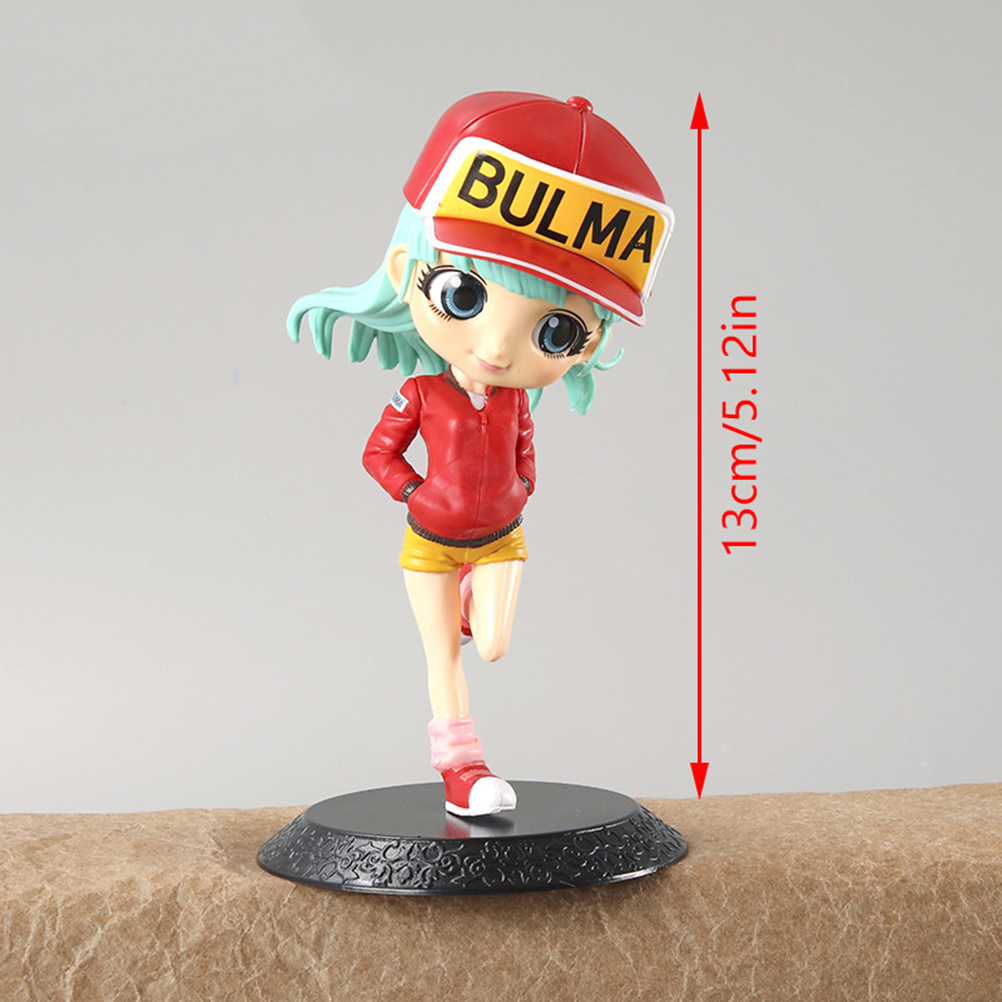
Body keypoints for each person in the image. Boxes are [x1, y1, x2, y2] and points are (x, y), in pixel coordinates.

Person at [288, 92, 673, 816]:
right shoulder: (420, 393)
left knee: (491, 643)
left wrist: (522, 486)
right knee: (442, 656)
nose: (496, 347)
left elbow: (527, 450)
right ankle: (462, 770)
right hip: (429, 538)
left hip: (500, 535)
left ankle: (472, 605)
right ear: (406, 269)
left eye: (557, 332)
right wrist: (413, 493)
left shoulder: (515, 403)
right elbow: (378, 453)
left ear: (590, 343)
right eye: (463, 295)